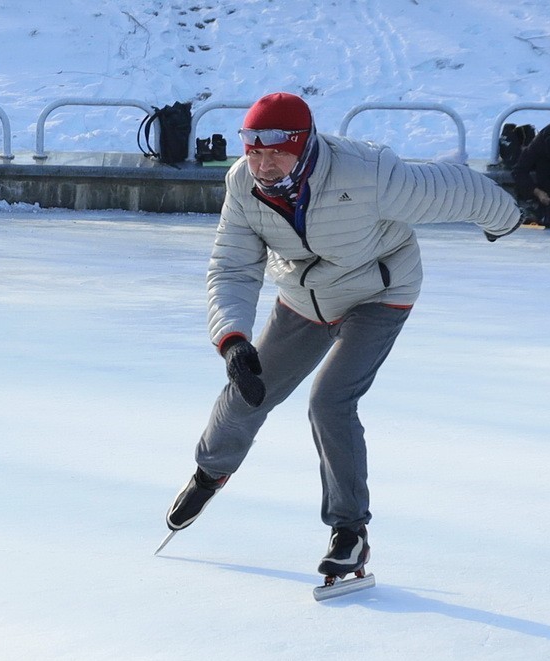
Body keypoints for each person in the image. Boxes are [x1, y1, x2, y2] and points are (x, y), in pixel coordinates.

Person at [164, 92, 522, 583]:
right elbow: (232, 265)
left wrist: (505, 219)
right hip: (304, 299)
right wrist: (232, 339)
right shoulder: (243, 184)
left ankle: (349, 532)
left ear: (305, 146)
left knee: (329, 401)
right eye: (255, 152)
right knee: (248, 386)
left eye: (277, 153)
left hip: (380, 294)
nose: (264, 165)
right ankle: (211, 472)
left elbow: (456, 189)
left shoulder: (367, 173)